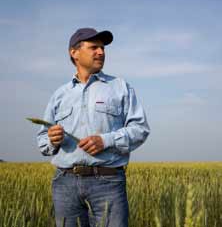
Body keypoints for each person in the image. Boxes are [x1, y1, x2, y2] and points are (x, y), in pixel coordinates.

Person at [37, 28, 150, 227]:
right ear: (74, 53)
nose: (101, 52)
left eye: (103, 48)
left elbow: (140, 129)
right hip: (65, 183)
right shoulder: (59, 94)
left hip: (108, 182)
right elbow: (42, 141)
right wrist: (52, 139)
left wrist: (105, 140)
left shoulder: (120, 87)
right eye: (94, 47)